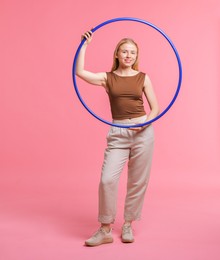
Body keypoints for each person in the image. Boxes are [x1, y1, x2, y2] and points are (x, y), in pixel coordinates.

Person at [76, 30, 159, 246]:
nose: (128, 55)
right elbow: (80, 72)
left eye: (132, 52)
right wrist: (85, 44)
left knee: (137, 181)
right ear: (117, 54)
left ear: (136, 55)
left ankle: (128, 224)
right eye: (124, 51)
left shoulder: (143, 77)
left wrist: (145, 123)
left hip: (143, 131)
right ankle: (105, 229)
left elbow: (155, 108)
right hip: (118, 131)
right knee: (107, 180)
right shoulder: (107, 78)